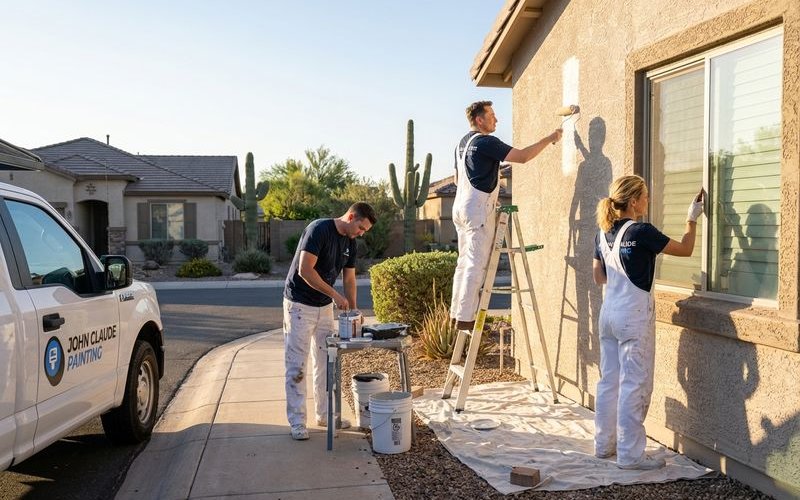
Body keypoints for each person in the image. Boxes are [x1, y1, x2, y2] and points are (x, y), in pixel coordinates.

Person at [593, 175, 704, 469]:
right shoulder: (641, 231)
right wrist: (691, 218)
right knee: (634, 385)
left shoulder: (602, 232)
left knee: (609, 382)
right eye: (645, 196)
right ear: (633, 201)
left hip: (608, 316)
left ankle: (604, 446)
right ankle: (630, 456)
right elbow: (686, 249)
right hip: (633, 318)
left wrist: (620, 274)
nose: (649, 200)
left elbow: (598, 276)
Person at [450, 100, 563, 330]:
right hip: (477, 211)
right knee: (475, 263)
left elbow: (458, 180)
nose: (496, 120)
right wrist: (550, 138)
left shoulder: (462, 143)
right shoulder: (486, 142)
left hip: (461, 207)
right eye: (491, 115)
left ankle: (456, 313)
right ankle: (465, 319)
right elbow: (521, 156)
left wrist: (490, 196)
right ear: (479, 120)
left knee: (463, 263)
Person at [283, 202, 377, 440]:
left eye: (364, 231)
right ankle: (297, 422)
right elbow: (305, 270)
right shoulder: (319, 230)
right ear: (351, 216)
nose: (361, 233)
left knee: (327, 362)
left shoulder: (351, 243)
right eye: (360, 227)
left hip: (323, 307)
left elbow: (350, 279)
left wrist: (354, 310)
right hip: (299, 305)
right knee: (297, 366)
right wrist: (335, 296)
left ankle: (325, 415)